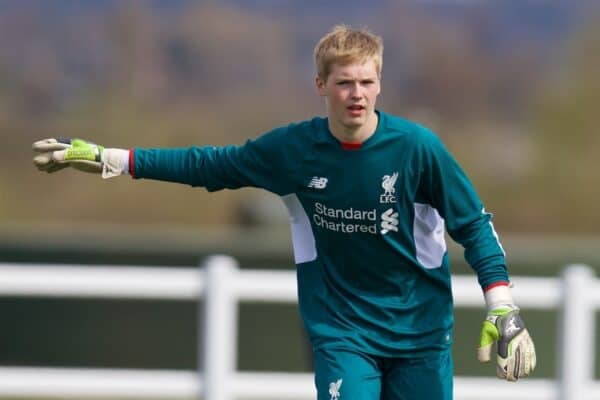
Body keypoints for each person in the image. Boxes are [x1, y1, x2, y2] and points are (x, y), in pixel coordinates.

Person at [32, 25, 535, 400]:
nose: (355, 94)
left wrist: (503, 307)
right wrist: (111, 160)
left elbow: (473, 225)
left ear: (380, 84)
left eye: (365, 82)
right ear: (321, 86)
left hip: (421, 333)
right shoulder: (294, 150)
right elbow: (210, 165)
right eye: (343, 83)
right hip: (344, 331)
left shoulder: (418, 149)